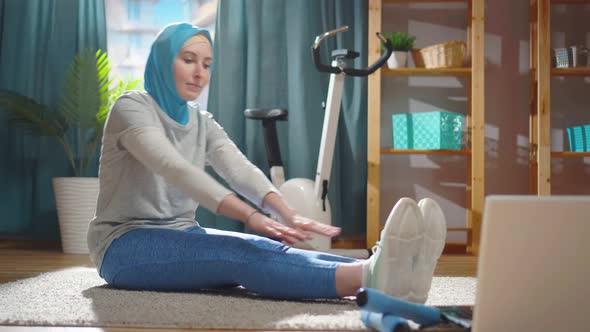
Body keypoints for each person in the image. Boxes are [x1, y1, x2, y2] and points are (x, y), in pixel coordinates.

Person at [87, 22, 447, 302]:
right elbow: (174, 168)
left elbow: (239, 169)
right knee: (238, 252)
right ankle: (371, 279)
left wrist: (284, 211)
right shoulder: (131, 108)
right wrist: (249, 215)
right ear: (164, 61)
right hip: (124, 246)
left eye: (207, 64)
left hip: (183, 233)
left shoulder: (201, 120)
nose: (200, 73)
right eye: (188, 60)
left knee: (268, 248)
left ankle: (394, 269)